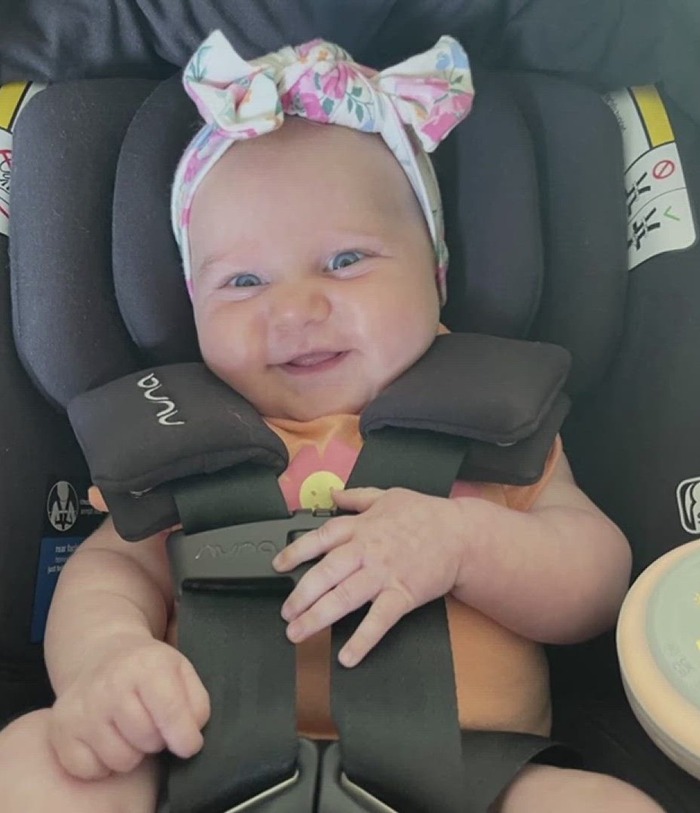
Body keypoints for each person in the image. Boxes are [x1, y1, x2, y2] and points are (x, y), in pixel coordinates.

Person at [0, 31, 665, 813]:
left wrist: (464, 545)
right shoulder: (182, 437)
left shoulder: (493, 423)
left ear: (435, 272)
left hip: (467, 773)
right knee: (35, 760)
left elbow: (597, 581)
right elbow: (109, 572)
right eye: (243, 281)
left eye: (346, 261)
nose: (295, 309)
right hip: (201, 761)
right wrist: (107, 658)